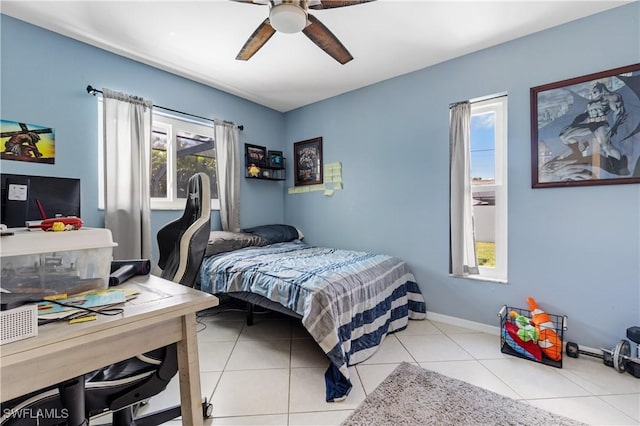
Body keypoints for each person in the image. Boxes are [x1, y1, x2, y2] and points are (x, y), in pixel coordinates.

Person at [559, 82, 628, 175]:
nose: (593, 93)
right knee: (564, 135)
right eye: (592, 92)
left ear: (602, 90)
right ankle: (578, 154)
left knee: (606, 146)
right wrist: (573, 124)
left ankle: (620, 167)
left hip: (601, 125)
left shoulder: (609, 97)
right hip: (590, 125)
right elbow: (584, 115)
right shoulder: (591, 102)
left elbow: (618, 111)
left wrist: (615, 126)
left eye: (595, 91)